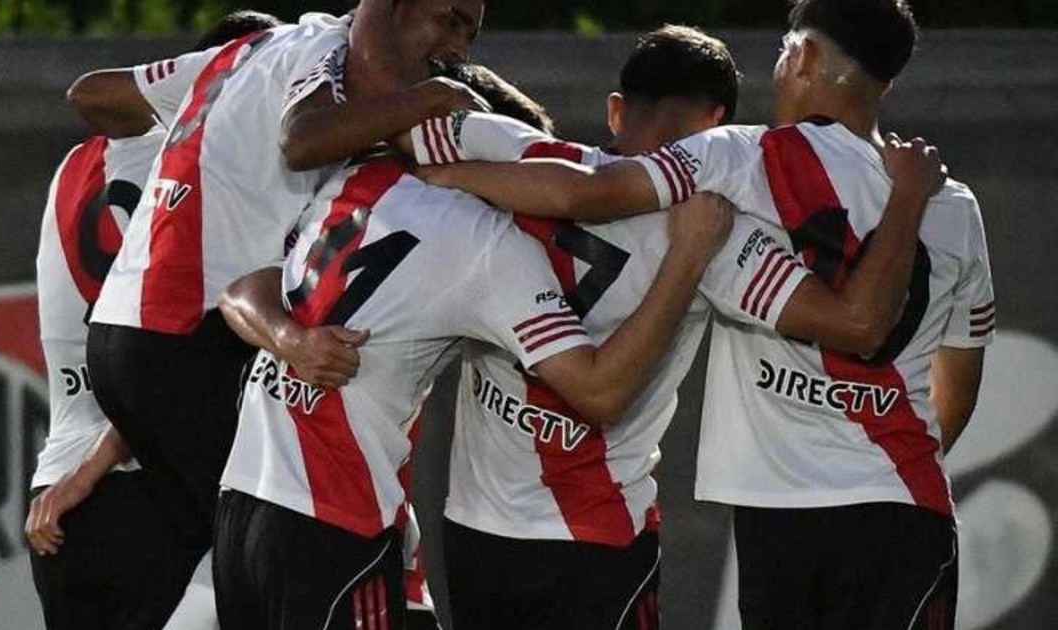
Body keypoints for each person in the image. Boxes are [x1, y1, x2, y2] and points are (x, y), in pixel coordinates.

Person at [417, 1, 989, 628]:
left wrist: (443, 177)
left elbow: (590, 191)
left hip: (767, 513)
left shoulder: (737, 161)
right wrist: (881, 465)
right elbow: (949, 386)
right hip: (896, 504)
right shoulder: (949, 204)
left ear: (802, 56)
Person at [212, 65, 736, 629]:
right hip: (339, 517)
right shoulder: (487, 244)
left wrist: (289, 338)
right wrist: (687, 256)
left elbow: (243, 288)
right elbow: (599, 391)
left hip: (244, 496)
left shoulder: (357, 179)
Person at [77, 0, 488, 574]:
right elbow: (303, 138)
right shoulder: (328, 50)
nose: (459, 49)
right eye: (449, 20)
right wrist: (432, 97)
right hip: (192, 331)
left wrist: (183, 170)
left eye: (470, 33)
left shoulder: (248, 51)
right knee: (273, 552)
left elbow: (94, 93)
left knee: (229, 557)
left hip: (123, 328)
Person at [26, 12, 284, 630]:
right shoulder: (205, 177)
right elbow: (161, 359)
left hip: (56, 498)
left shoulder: (74, 165)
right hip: (147, 486)